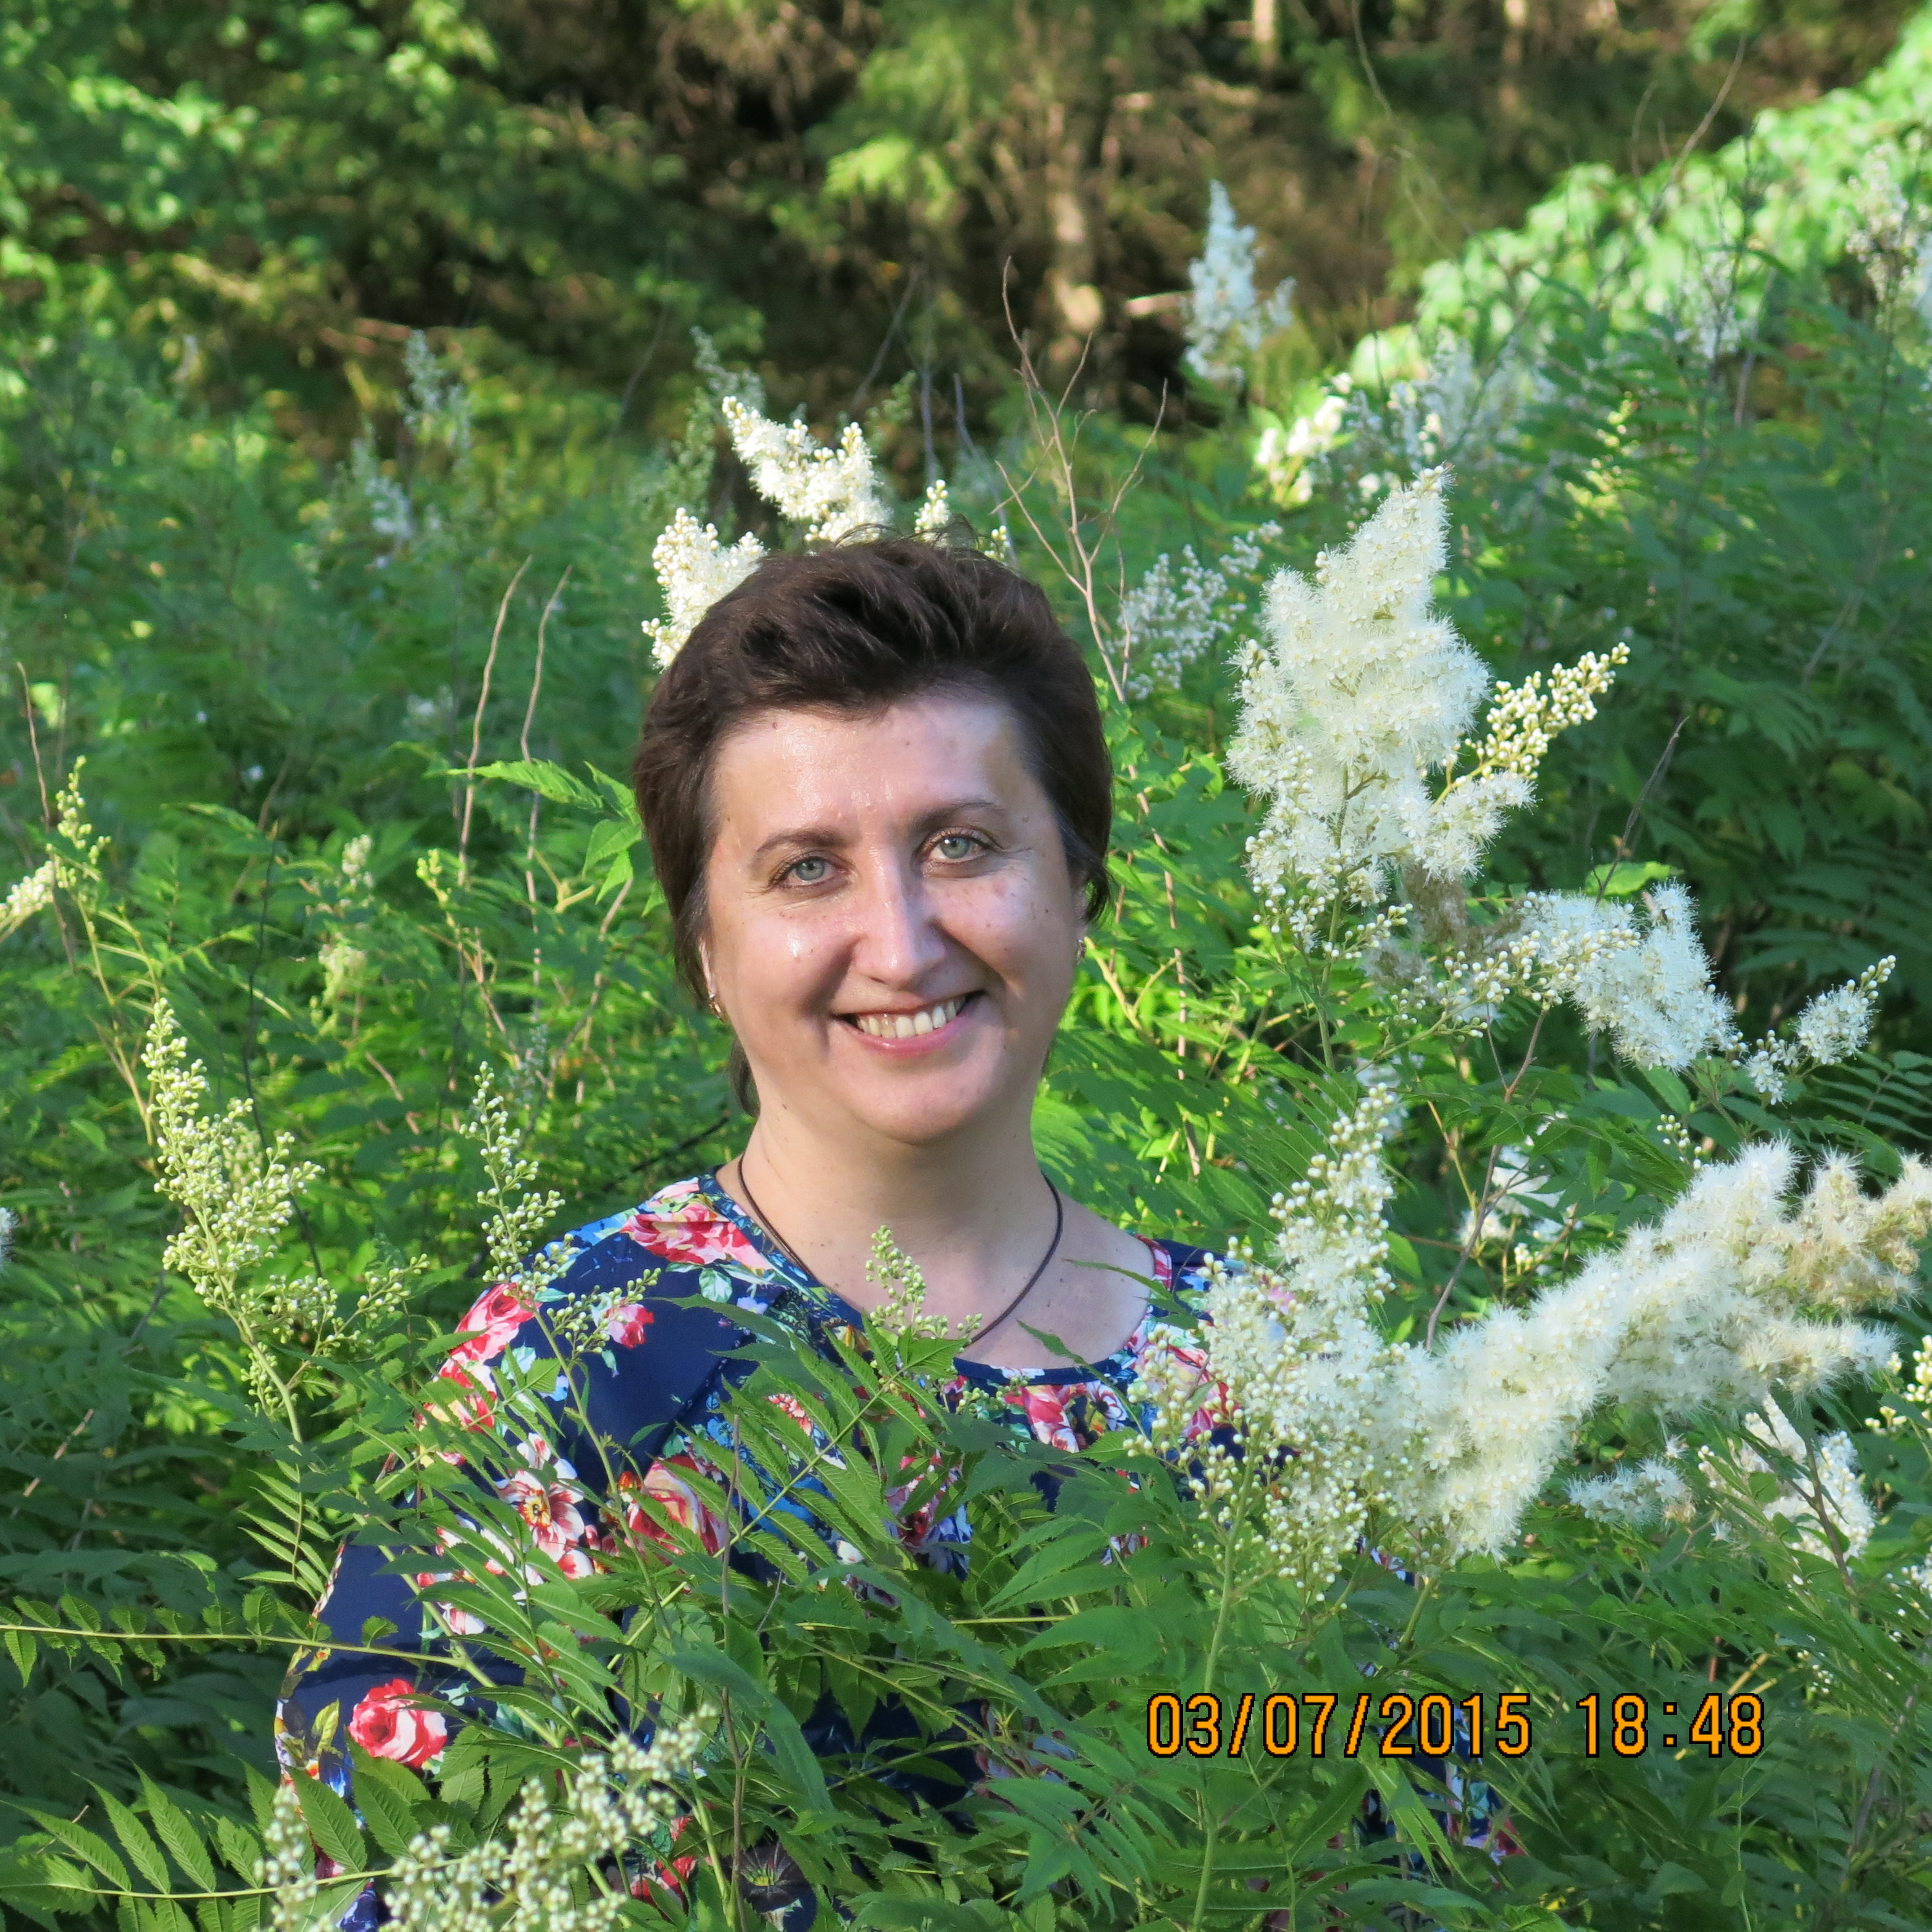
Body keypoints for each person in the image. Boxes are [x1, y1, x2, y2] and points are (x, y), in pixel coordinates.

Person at [274, 535, 1224, 1927]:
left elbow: (1431, 1836)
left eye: (961, 844)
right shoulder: (581, 1361)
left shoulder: (1258, 1365)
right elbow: (373, 1881)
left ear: (1078, 884)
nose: (901, 942)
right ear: (708, 950)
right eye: (807, 869)